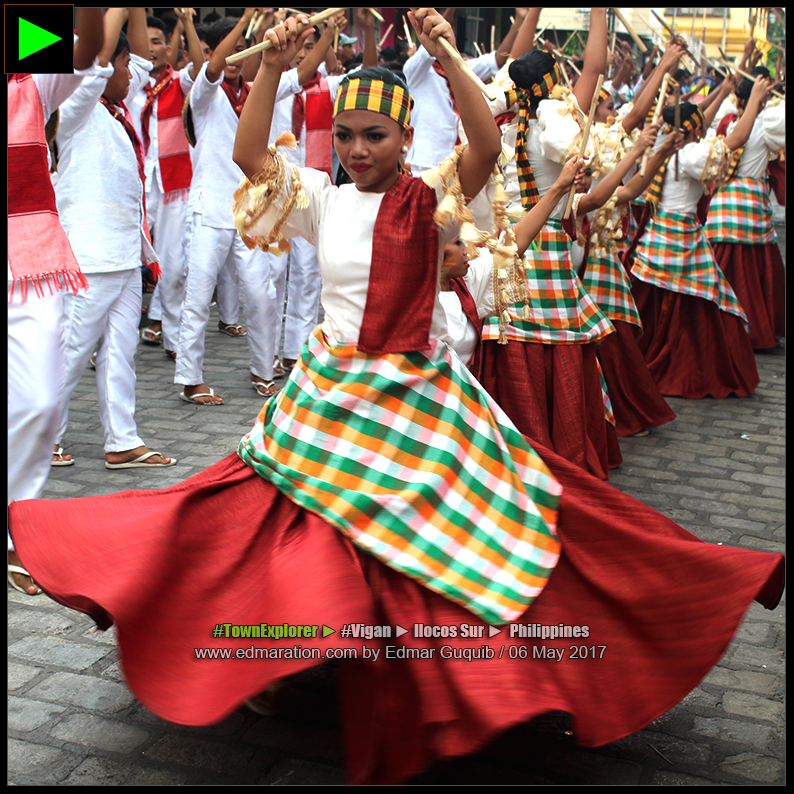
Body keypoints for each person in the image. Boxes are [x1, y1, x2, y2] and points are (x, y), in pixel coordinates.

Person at [9, 12, 784, 786]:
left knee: (462, 533)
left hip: (417, 393)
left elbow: (485, 148)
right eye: (347, 136)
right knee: (283, 528)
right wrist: (272, 67)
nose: (356, 150)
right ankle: (275, 652)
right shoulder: (322, 199)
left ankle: (440, 673)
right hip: (329, 393)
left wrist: (446, 51)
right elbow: (249, 155)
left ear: (406, 138)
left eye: (374, 136)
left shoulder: (433, 200)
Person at [52, 7, 176, 469]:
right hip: (90, 253)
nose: (131, 73)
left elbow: (139, 59)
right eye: (122, 65)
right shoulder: (73, 107)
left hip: (124, 251)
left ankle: (122, 439)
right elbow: (96, 66)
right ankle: (40, 437)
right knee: (70, 350)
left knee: (121, 353)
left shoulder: (113, 108)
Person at [7, 7, 104, 595]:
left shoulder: (29, 74)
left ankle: (17, 521)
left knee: (41, 401)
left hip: (31, 261)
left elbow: (87, 45)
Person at [627, 99, 763, 399]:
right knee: (699, 304)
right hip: (681, 237)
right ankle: (685, 368)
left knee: (656, 302)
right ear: (696, 129)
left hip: (658, 233)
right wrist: (755, 97)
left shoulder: (661, 148)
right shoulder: (689, 155)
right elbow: (737, 139)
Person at [704, 68, 786, 349]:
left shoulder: (729, 122)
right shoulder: (764, 122)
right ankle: (748, 331)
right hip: (748, 210)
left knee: (725, 271)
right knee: (750, 274)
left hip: (723, 207)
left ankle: (717, 328)